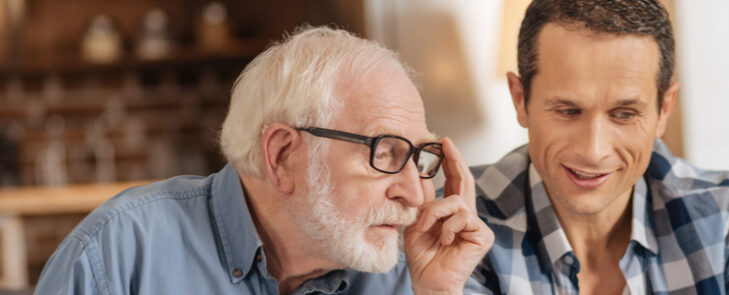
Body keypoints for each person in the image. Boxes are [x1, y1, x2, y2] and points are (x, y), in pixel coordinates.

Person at [35, 26, 493, 295]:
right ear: (283, 155)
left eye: (420, 157)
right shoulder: (120, 253)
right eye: (386, 153)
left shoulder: (401, 272)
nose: (415, 194)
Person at [464, 0, 729, 294]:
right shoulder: (462, 224)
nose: (594, 150)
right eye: (568, 111)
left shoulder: (728, 219)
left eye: (625, 114)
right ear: (520, 99)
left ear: (664, 109)